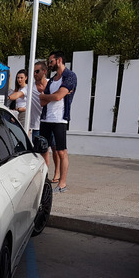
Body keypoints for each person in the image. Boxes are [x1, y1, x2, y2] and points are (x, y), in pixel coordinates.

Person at [39, 51, 77, 193]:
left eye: (51, 61)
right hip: (45, 119)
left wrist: (47, 96)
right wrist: (50, 96)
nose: (49, 64)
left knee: (61, 152)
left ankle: (62, 184)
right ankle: (43, 179)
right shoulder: (52, 80)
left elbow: (59, 97)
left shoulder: (70, 76)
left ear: (59, 60)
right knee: (42, 150)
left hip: (60, 119)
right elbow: (42, 102)